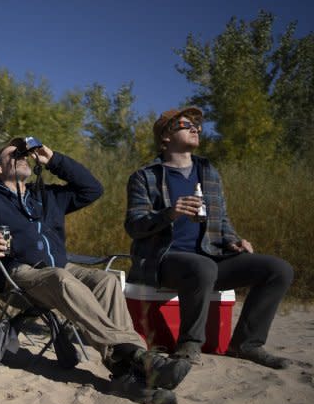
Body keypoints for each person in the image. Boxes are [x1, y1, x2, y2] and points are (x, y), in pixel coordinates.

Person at [0, 137, 191, 404]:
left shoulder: (45, 195)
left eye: (25, 153)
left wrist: (53, 158)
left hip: (60, 268)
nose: (23, 156)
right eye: (14, 154)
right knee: (61, 278)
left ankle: (126, 371)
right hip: (19, 274)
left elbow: (92, 189)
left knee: (106, 280)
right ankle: (137, 355)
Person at [125, 106, 294, 368]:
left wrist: (234, 241)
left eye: (197, 126)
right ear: (165, 137)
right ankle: (190, 344)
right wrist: (170, 213)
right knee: (202, 267)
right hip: (164, 261)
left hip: (210, 257)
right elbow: (134, 225)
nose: (195, 128)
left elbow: (221, 219)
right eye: (185, 124)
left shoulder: (208, 172)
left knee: (278, 269)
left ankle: (247, 345)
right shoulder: (145, 177)